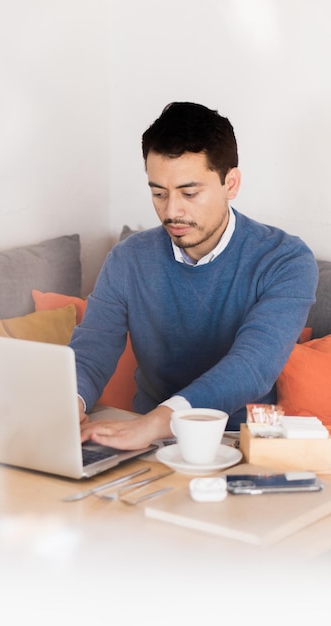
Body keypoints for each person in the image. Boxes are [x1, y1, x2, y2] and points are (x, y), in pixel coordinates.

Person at [69, 102, 318, 450]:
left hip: (240, 443)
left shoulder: (284, 260)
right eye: (158, 193)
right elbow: (92, 350)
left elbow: (252, 366)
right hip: (148, 446)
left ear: (230, 183)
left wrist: (158, 421)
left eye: (189, 193)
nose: (172, 211)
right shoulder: (128, 259)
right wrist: (69, 404)